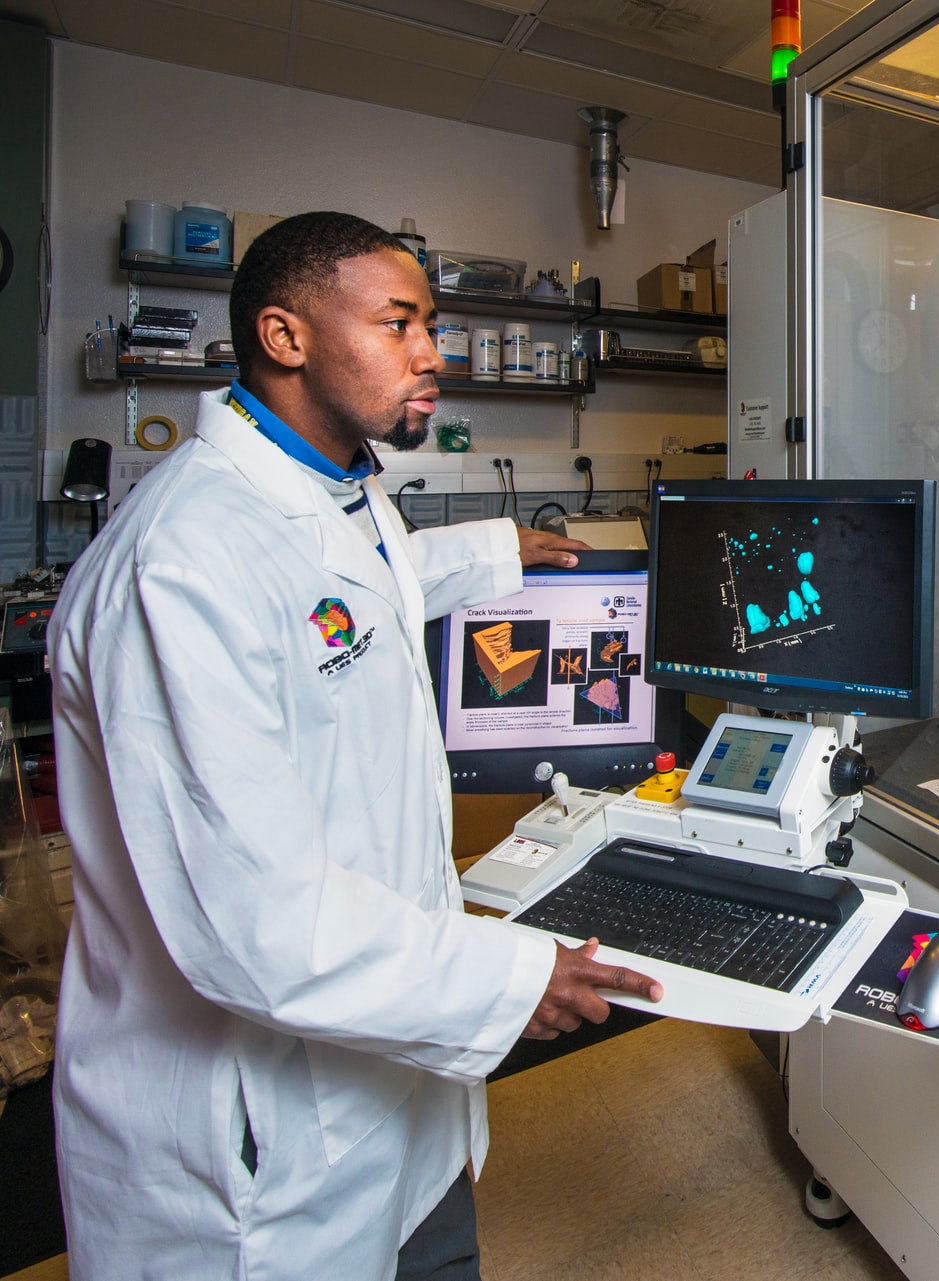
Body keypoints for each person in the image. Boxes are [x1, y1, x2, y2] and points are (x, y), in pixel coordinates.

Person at [48, 211, 663, 1280]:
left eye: (431, 323)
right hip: (262, 1156)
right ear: (285, 337)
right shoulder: (182, 562)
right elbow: (260, 927)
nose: (434, 353)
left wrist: (495, 550)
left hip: (391, 1083)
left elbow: (363, 586)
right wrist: (515, 978)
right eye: (399, 323)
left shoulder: (339, 494)